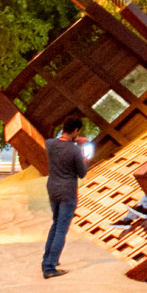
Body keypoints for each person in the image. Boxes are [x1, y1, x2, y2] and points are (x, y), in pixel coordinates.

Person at [43, 117, 87, 280]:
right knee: (61, 228)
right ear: (76, 131)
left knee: (55, 224)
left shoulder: (50, 144)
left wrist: (75, 142)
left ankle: (47, 260)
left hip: (52, 188)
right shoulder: (74, 150)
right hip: (67, 190)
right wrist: (84, 156)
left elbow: (56, 141)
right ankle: (49, 267)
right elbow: (81, 173)